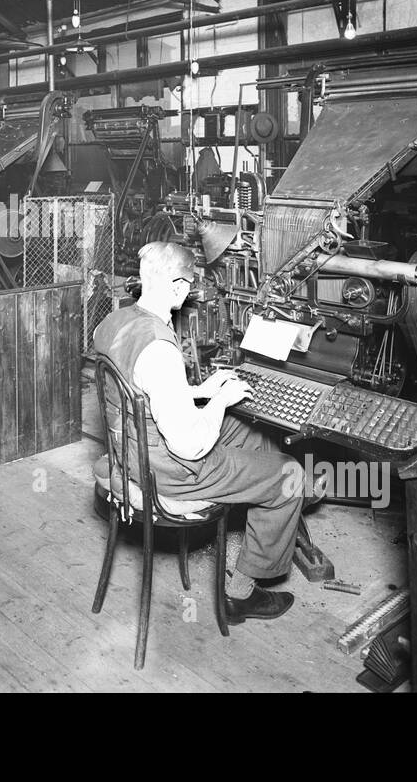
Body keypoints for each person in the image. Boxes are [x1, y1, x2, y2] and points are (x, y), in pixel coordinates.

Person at [90, 241, 309, 622]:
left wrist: (199, 392)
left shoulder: (115, 321)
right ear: (177, 287)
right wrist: (220, 401)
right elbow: (190, 446)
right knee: (291, 473)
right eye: (188, 285)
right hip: (167, 471)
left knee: (250, 432)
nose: (189, 292)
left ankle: (268, 516)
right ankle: (241, 594)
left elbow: (138, 390)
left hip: (131, 449)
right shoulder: (160, 347)